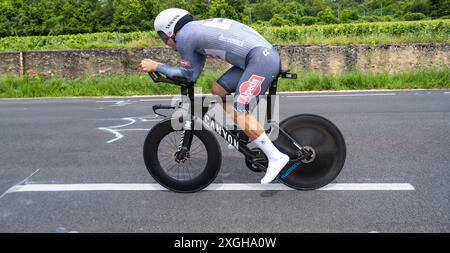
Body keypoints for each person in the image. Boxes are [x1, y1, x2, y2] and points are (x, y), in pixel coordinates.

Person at [140, 8, 289, 184]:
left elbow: (187, 76)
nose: (166, 42)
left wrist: (157, 66)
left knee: (239, 112)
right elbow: (193, 74)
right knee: (218, 90)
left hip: (261, 60)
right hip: (257, 57)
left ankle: (276, 157)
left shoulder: (184, 37)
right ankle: (243, 131)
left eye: (163, 37)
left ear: (170, 31)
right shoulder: (193, 31)